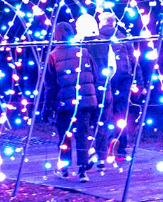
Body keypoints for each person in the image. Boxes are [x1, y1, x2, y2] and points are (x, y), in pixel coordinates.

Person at [47, 20, 98, 182]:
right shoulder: (83, 52)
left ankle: (64, 168)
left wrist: (47, 107)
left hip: (64, 104)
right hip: (85, 101)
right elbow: (95, 76)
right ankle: (83, 170)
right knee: (82, 134)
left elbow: (50, 85)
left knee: (65, 136)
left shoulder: (53, 56)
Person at [91, 11, 139, 165]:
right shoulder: (123, 38)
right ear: (113, 22)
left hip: (106, 80)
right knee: (121, 116)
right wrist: (139, 83)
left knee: (104, 115)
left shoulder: (96, 39)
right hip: (124, 81)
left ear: (101, 22)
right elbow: (135, 62)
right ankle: (121, 150)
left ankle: (105, 146)